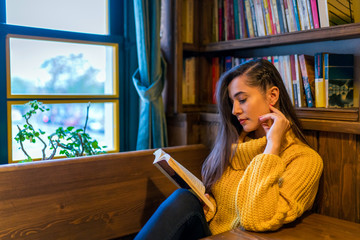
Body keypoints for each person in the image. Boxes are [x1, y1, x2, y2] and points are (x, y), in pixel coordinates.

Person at [134, 59, 323, 240]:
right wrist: (210, 207)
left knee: (182, 199)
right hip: (212, 235)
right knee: (185, 199)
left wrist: (272, 145)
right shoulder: (233, 147)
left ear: (272, 96)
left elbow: (257, 219)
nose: (234, 110)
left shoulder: (305, 160)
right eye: (232, 102)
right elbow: (225, 206)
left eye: (242, 99)